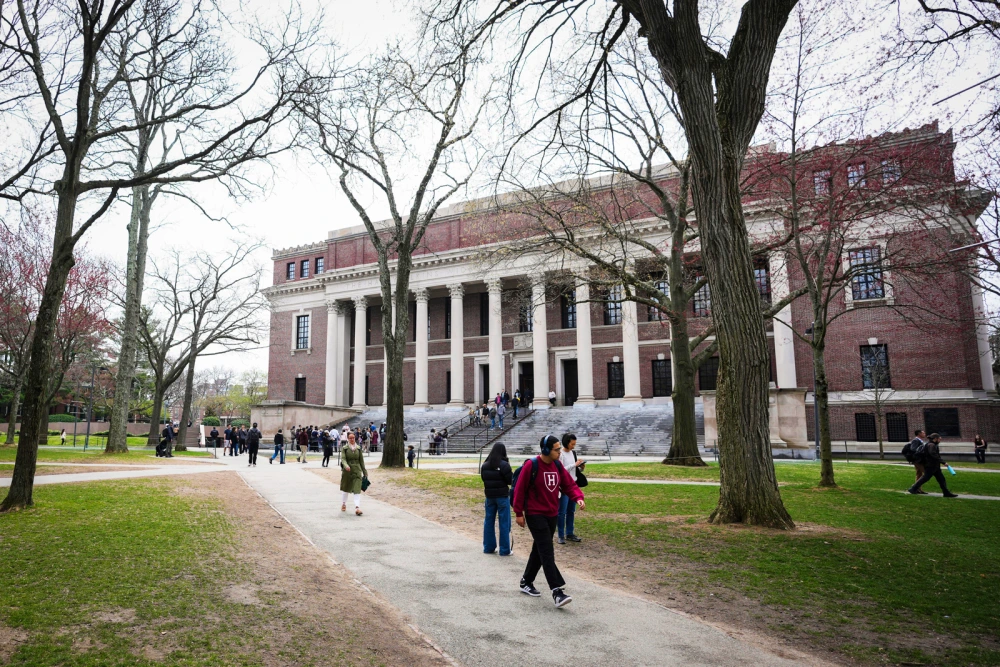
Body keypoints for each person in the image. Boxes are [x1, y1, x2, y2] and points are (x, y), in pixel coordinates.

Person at [512, 434, 585, 608]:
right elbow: (520, 490)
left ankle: (526, 581)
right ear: (546, 449)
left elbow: (568, 484)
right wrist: (518, 513)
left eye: (560, 448)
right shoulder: (532, 465)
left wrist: (578, 497)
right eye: (557, 449)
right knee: (547, 551)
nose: (560, 452)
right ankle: (557, 591)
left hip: (551, 513)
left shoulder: (558, 465)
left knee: (539, 549)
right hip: (535, 514)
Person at [481, 442, 513, 556]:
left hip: (489, 496)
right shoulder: (504, 465)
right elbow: (510, 480)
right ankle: (504, 549)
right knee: (504, 522)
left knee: (488, 521)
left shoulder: (484, 465)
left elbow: (484, 479)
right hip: (502, 496)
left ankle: (488, 547)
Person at [557, 433, 585, 544]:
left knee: (571, 511)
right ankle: (560, 535)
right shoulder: (560, 454)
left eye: (574, 444)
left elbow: (574, 471)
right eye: (572, 444)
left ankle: (569, 533)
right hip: (564, 486)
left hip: (573, 484)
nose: (573, 446)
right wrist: (574, 464)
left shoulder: (573, 453)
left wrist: (580, 467)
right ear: (566, 442)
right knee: (561, 512)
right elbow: (561, 470)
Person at [339, 431, 368, 516]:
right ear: (348, 439)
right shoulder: (344, 448)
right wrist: (346, 466)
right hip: (347, 471)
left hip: (357, 470)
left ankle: (357, 508)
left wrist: (364, 472)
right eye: (350, 438)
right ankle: (344, 503)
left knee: (357, 489)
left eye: (353, 438)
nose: (352, 439)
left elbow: (361, 461)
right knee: (346, 488)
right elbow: (343, 459)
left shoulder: (358, 448)